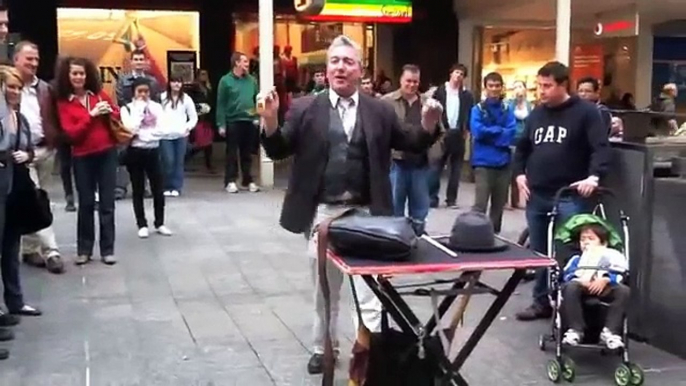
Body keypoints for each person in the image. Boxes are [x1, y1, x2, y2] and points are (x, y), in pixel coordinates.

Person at [259, 35, 442, 375]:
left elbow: (411, 142)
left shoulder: (379, 110)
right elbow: (278, 149)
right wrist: (269, 121)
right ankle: (322, 347)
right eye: (334, 61)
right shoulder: (305, 108)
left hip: (368, 215)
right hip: (324, 215)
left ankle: (368, 349)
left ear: (360, 69)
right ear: (326, 69)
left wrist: (429, 123)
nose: (340, 67)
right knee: (324, 289)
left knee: (370, 291)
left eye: (348, 61)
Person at [513, 61, 611, 321]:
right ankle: (541, 301)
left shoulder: (586, 113)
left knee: (568, 249)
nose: (541, 91)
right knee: (539, 251)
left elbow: (600, 147)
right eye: (539, 85)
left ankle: (570, 304)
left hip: (571, 193)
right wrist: (519, 173)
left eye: (547, 86)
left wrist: (594, 176)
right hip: (538, 193)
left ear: (563, 85)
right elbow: (522, 147)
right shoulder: (537, 114)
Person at [55, 56, 119, 266]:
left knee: (107, 204)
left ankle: (108, 250)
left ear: (88, 75)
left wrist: (110, 111)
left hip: (107, 153)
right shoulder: (64, 102)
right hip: (82, 157)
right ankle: (84, 250)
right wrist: (90, 115)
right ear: (68, 75)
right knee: (86, 203)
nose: (78, 77)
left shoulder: (100, 95)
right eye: (74, 73)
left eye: (81, 73)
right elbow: (71, 134)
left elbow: (117, 116)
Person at [13, 41, 65, 274]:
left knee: (41, 198)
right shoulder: (8, 87)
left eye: (36, 59)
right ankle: (52, 251)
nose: (34, 63)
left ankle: (30, 249)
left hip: (45, 150)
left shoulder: (45, 88)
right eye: (28, 59)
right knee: (36, 200)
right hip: (22, 154)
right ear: (16, 60)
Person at [0, 65, 42, 318]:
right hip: (0, 185)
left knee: (12, 247)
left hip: (17, 187)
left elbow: (30, 149)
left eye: (18, 87)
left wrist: (26, 154)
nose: (15, 91)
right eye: (10, 87)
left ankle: (16, 301)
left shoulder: (21, 118)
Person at [383, 64, 440, 235]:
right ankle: (396, 238)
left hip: (420, 164)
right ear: (401, 80)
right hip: (396, 163)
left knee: (421, 208)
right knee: (394, 207)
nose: (412, 85)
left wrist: (435, 155)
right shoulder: (386, 102)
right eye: (408, 81)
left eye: (415, 82)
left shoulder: (428, 103)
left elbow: (440, 132)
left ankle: (418, 237)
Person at [561, 223, 629, 350]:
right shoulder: (576, 259)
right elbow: (567, 274)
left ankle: (610, 332)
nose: (586, 242)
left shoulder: (611, 257)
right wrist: (581, 280)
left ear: (603, 243)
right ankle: (575, 330)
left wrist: (605, 279)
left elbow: (619, 272)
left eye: (591, 239)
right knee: (570, 286)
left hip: (605, 287)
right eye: (583, 239)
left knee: (623, 291)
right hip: (581, 287)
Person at [121, 77, 173, 238]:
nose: (143, 95)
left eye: (146, 91)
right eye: (140, 92)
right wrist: (139, 113)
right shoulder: (127, 109)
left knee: (158, 188)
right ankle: (141, 223)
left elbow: (163, 129)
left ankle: (160, 222)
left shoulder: (157, 107)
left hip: (153, 150)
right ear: (134, 93)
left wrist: (146, 136)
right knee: (138, 188)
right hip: (136, 152)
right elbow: (131, 129)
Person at [470, 72, 516, 234]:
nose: (494, 89)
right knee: (480, 204)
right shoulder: (477, 109)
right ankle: (475, 234)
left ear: (501, 87)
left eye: (497, 86)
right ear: (485, 88)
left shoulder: (507, 109)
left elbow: (512, 132)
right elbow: (477, 132)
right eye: (491, 86)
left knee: (499, 205)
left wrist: (491, 134)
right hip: (483, 163)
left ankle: (494, 235)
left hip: (503, 162)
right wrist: (499, 132)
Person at [429, 63, 475, 208]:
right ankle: (432, 197)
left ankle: (451, 199)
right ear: (451, 74)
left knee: (456, 169)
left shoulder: (467, 95)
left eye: (461, 74)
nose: (458, 76)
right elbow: (433, 110)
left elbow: (469, 113)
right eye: (456, 73)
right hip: (442, 133)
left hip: (458, 133)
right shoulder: (440, 91)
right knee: (436, 166)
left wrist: (466, 129)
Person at [216, 52, 260, 194]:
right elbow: (221, 103)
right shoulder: (225, 81)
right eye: (245, 61)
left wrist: (257, 117)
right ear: (237, 63)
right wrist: (221, 123)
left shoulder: (252, 80)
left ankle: (248, 180)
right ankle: (230, 181)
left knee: (247, 153)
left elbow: (257, 100)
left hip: (249, 121)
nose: (247, 64)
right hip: (233, 121)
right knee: (232, 153)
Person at [159, 74, 197, 197]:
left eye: (179, 82)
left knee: (178, 162)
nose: (176, 84)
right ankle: (166, 186)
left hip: (181, 135)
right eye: (174, 82)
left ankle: (176, 187)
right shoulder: (162, 97)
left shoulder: (186, 99)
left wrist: (187, 127)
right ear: (169, 83)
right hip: (165, 136)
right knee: (168, 161)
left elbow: (193, 117)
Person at [508, 80, 533, 209]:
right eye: (515, 87)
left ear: (525, 89)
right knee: (509, 171)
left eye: (520, 86)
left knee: (520, 171)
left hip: (524, 141)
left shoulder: (529, 106)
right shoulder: (509, 105)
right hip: (511, 140)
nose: (518, 89)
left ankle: (516, 200)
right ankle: (505, 200)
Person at [186, 68, 215, 173]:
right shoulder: (194, 88)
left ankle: (209, 165)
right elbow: (191, 103)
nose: (204, 76)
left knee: (208, 142)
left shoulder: (208, 88)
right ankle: (185, 159)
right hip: (199, 118)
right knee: (199, 143)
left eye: (205, 74)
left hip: (206, 118)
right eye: (202, 74)